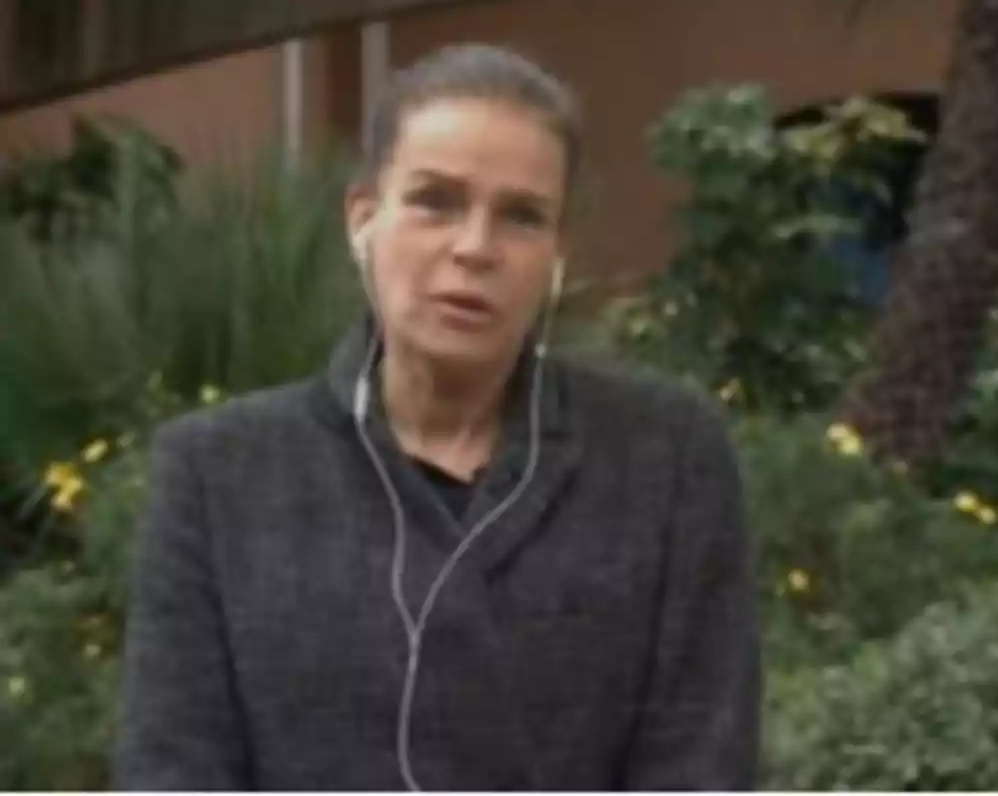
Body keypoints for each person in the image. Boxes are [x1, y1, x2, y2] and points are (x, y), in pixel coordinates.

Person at [115, 43, 760, 791]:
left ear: (556, 255)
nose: (474, 248)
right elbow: (173, 767)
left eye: (521, 216)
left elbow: (702, 761)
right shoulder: (221, 474)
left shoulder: (666, 457)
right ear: (364, 218)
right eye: (435, 201)